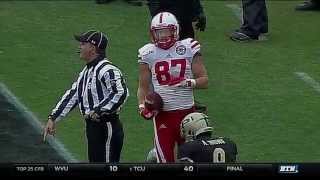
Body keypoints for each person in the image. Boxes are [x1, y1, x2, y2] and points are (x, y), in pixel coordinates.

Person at [43, 30, 129, 163]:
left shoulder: (107, 69)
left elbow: (121, 92)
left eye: (83, 43)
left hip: (106, 126)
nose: (80, 46)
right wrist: (53, 118)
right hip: (93, 127)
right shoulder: (86, 71)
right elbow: (73, 95)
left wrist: (99, 110)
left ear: (93, 48)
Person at [137, 12, 209, 163]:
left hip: (188, 116)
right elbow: (143, 87)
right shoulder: (148, 53)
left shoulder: (189, 47)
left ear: (175, 30)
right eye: (158, 32)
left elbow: (204, 80)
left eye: (166, 31)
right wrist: (142, 106)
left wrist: (189, 82)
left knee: (191, 162)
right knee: (165, 162)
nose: (162, 36)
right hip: (163, 116)